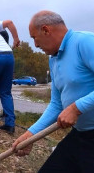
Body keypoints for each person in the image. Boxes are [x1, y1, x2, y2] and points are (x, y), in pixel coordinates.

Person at [13, 10, 94, 171]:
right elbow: (57, 104)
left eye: (34, 37)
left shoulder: (85, 42)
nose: (35, 45)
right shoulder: (54, 59)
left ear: (46, 30)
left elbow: (73, 107)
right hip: (81, 135)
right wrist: (31, 134)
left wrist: (76, 108)